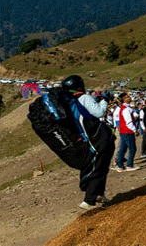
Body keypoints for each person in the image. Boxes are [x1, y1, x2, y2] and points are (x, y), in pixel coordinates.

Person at [61, 75, 116, 210]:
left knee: (102, 165)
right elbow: (99, 112)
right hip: (97, 137)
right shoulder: (84, 98)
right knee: (99, 166)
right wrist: (104, 100)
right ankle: (88, 201)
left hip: (89, 137)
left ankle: (99, 194)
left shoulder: (71, 103)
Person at [115, 92, 139, 173]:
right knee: (132, 148)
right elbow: (128, 122)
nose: (129, 97)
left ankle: (120, 165)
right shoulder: (126, 109)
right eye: (127, 96)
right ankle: (129, 165)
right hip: (127, 131)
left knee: (123, 148)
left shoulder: (125, 108)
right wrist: (134, 130)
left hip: (124, 131)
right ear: (124, 99)